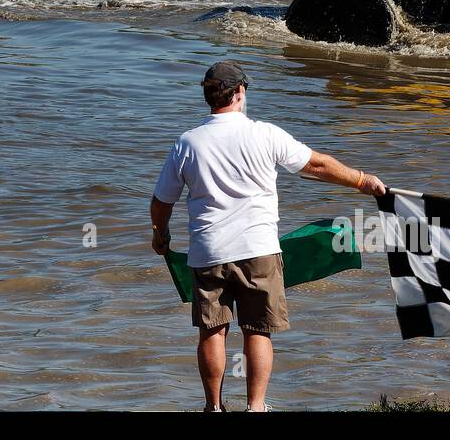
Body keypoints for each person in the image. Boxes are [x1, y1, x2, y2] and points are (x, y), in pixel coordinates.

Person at [150, 61, 386, 412]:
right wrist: (362, 181)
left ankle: (213, 407)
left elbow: (161, 201)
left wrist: (160, 236)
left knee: (212, 331)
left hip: (208, 251)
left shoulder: (188, 143)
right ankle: (256, 407)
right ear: (240, 92)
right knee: (257, 330)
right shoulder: (265, 134)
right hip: (258, 250)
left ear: (208, 96)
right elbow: (317, 165)